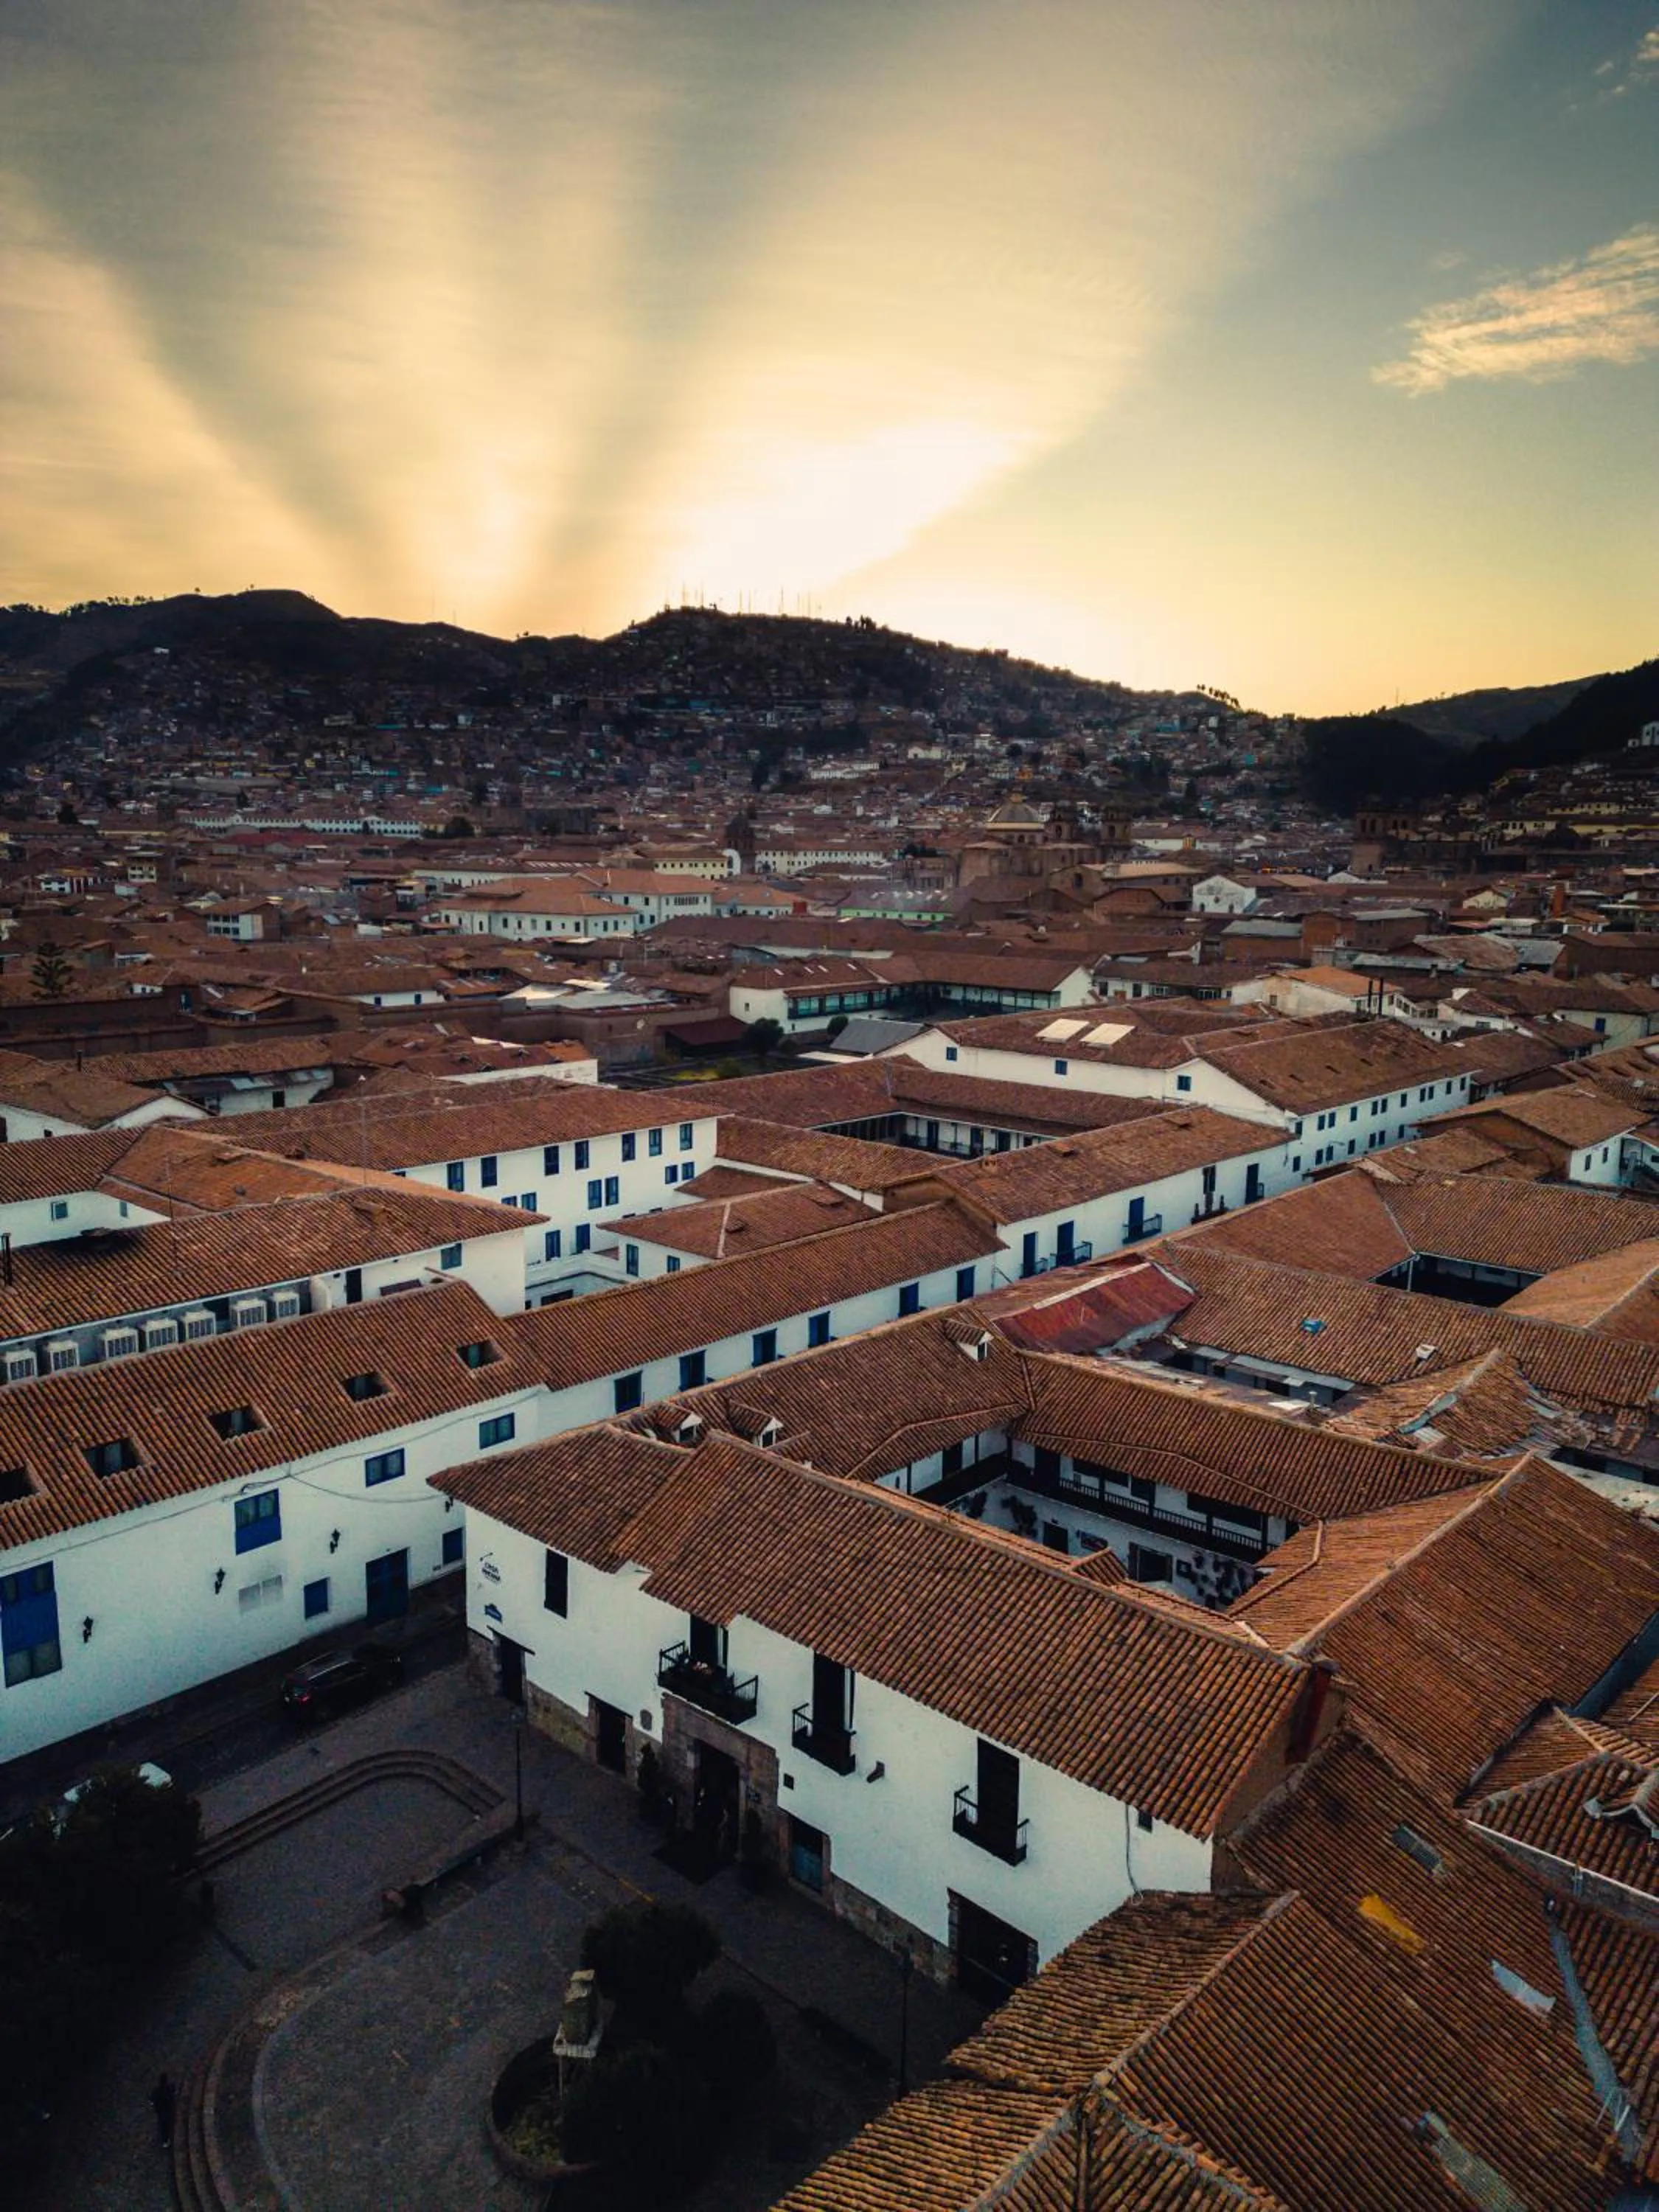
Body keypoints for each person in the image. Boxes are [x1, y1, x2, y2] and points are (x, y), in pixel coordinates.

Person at [150, 2073, 176, 2150]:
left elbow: (152, 2101)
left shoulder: (156, 2091)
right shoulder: (168, 2089)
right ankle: (168, 2138)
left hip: (161, 2112)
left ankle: (165, 2140)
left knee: (163, 2126)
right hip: (167, 2111)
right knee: (168, 2125)